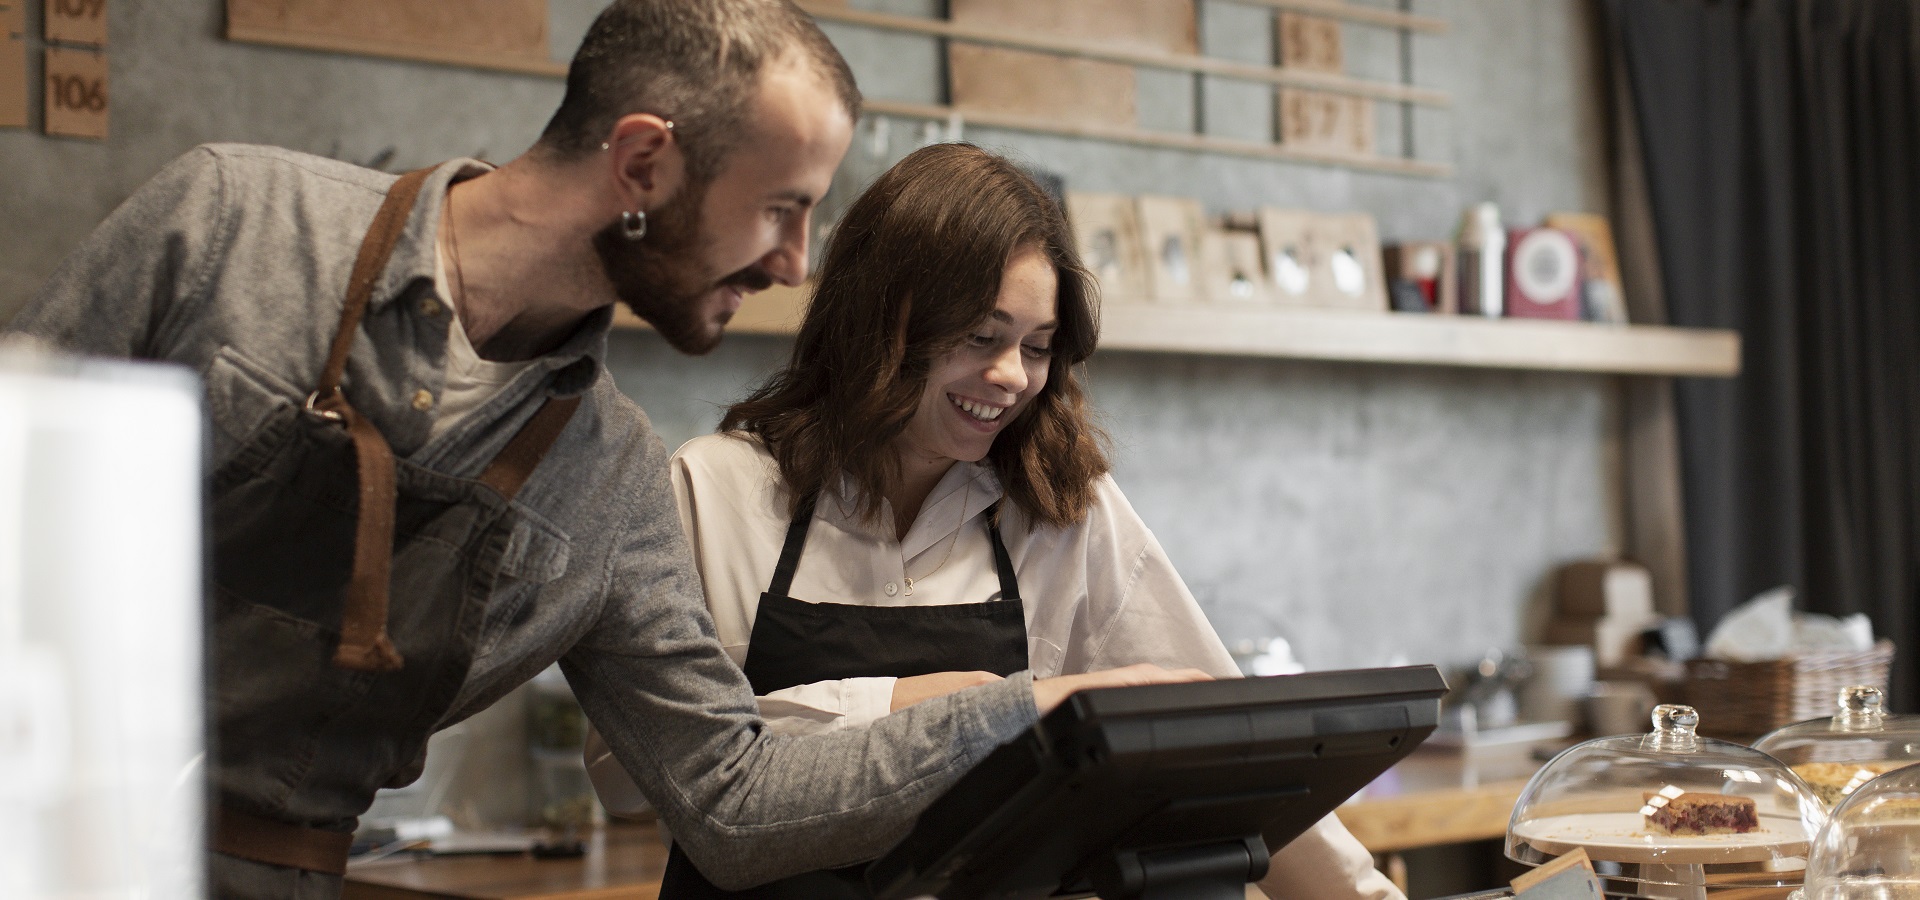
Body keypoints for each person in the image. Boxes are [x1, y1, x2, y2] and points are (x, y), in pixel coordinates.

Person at [3, 3, 1202, 897]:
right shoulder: (233, 227)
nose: (795, 264)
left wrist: (1034, 708)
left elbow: (729, 800)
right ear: (641, 166)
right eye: (783, 208)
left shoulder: (613, 476)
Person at [584, 142, 1404, 899]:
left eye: (1039, 346)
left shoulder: (1059, 506)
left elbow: (1230, 749)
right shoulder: (715, 489)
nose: (1011, 375)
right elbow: (632, 773)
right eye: (981, 336)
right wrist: (932, 703)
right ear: (882, 320)